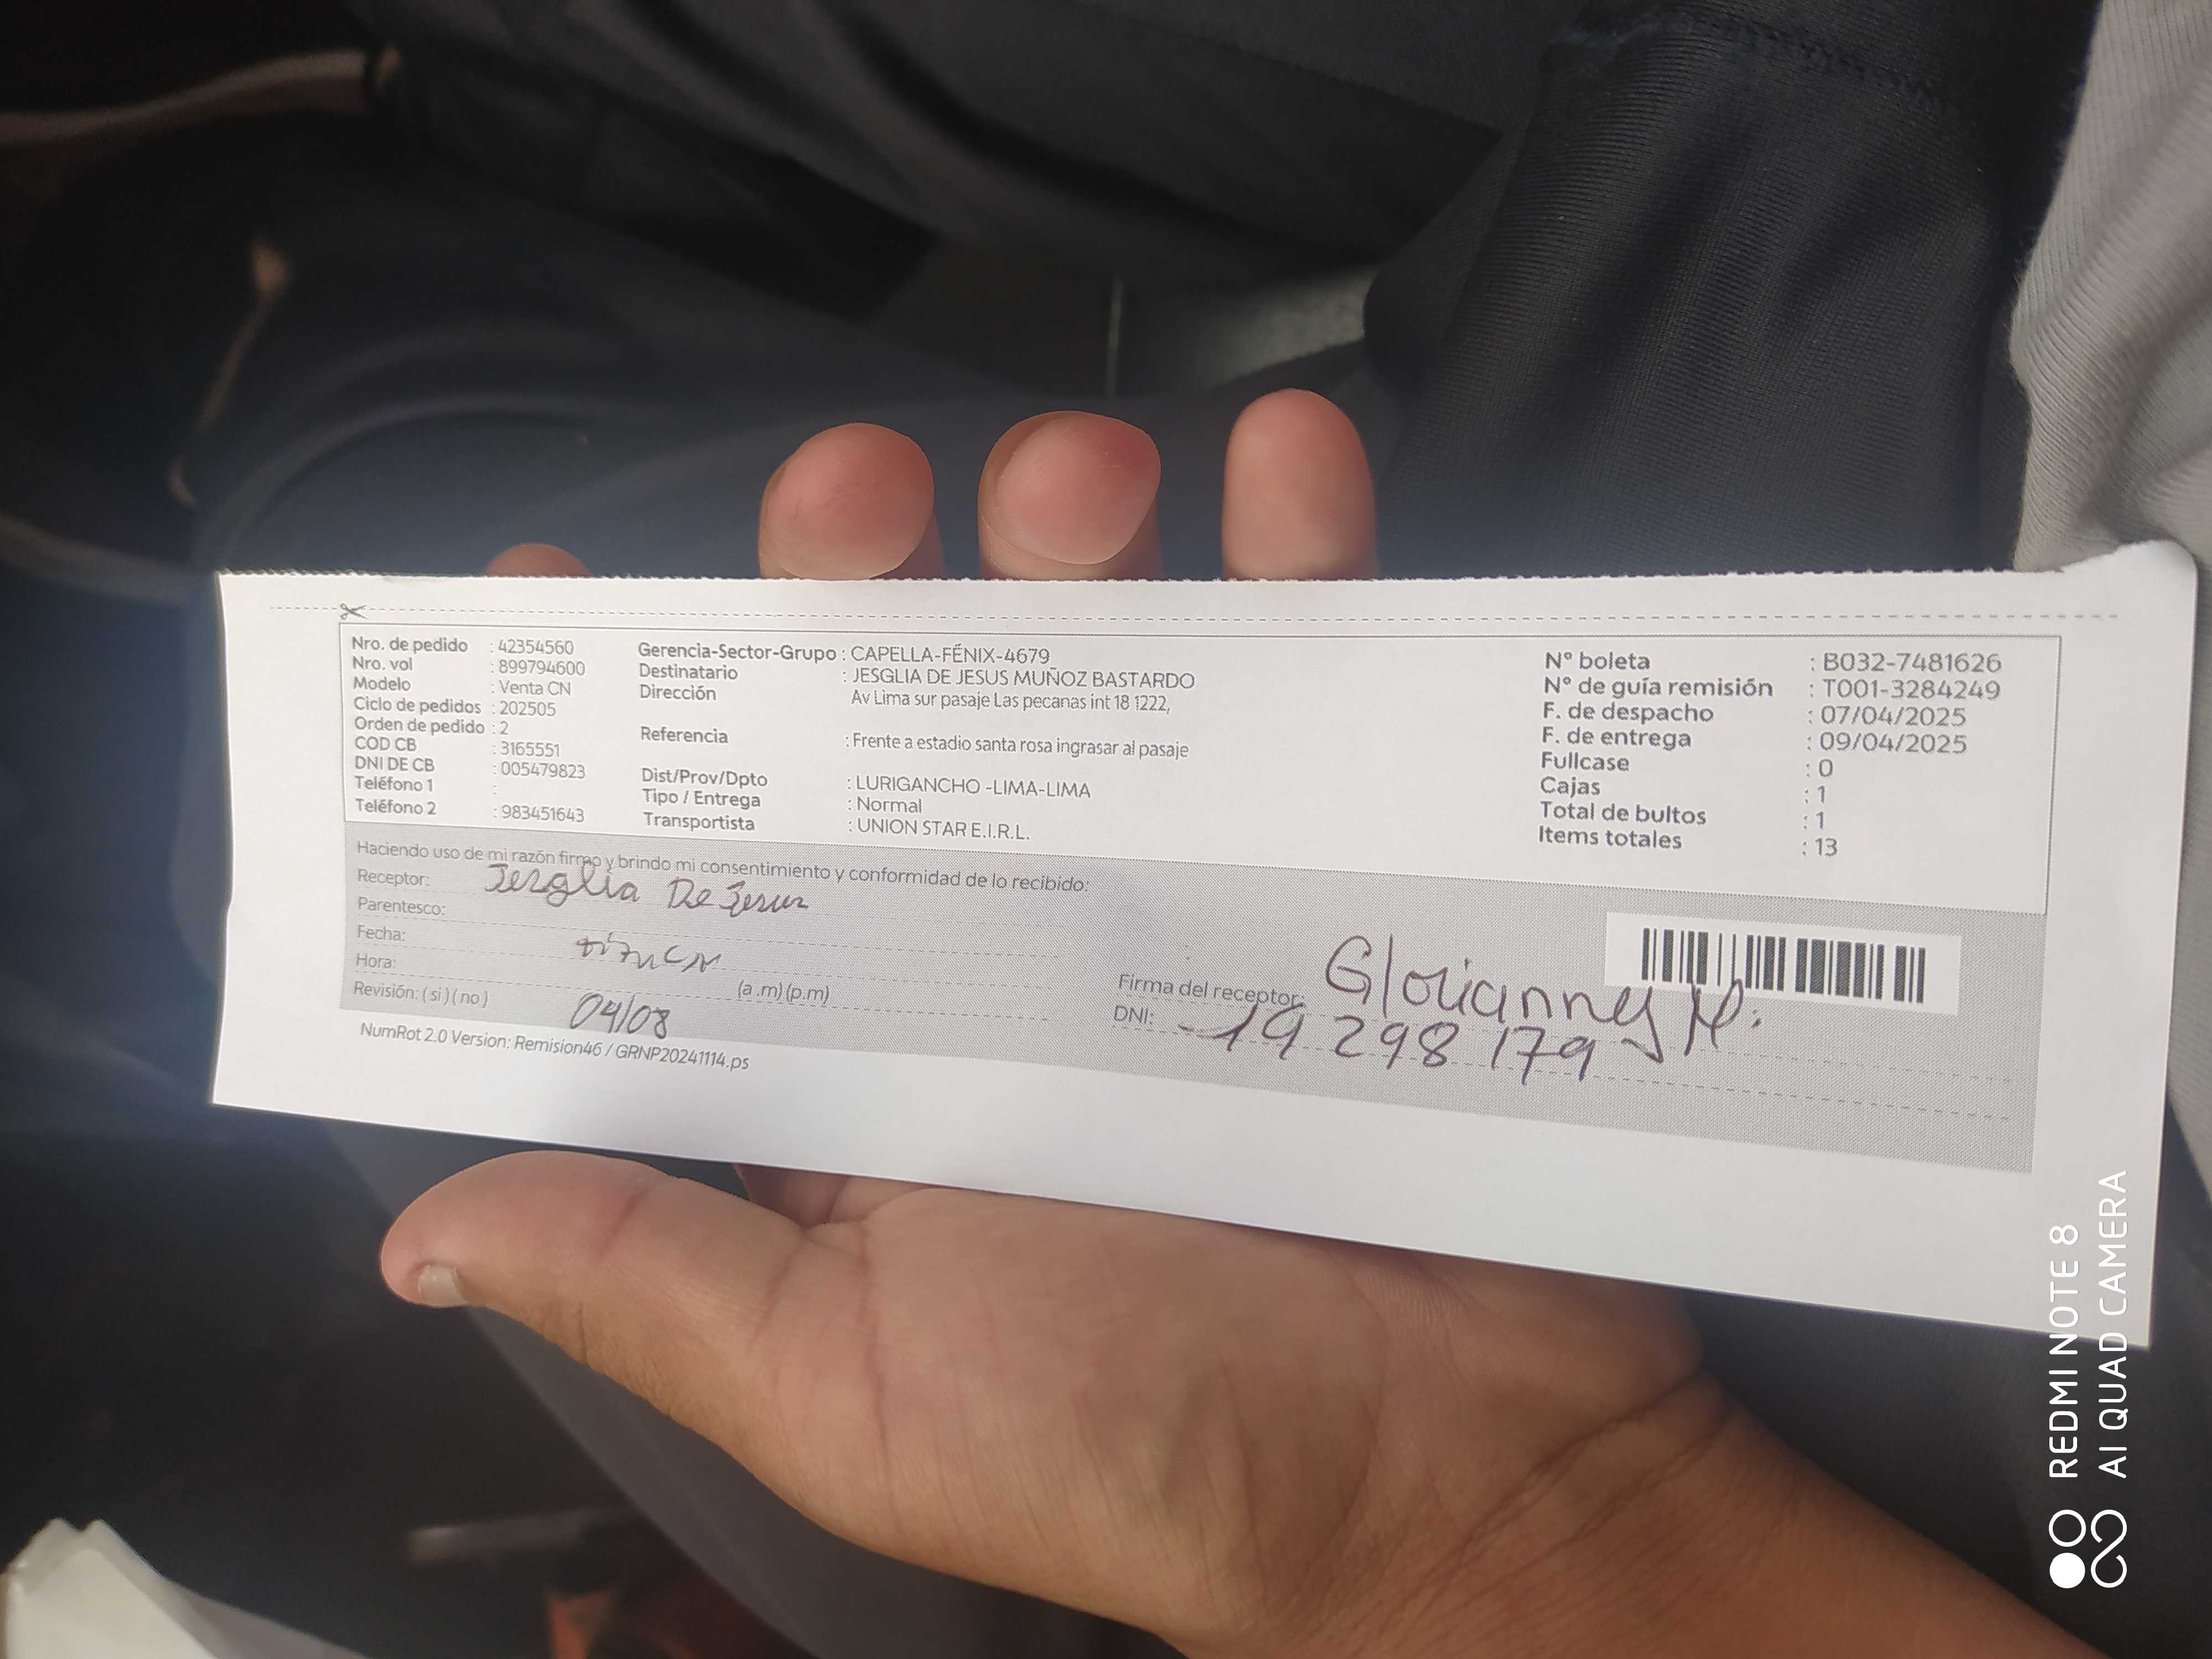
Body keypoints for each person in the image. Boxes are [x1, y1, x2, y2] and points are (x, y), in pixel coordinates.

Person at [6, 0, 2210, 1652]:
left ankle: (252, 297)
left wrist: (1505, 1536)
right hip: (2067, 200)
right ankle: (289, 282)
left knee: (343, 793)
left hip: (2013, 1321)